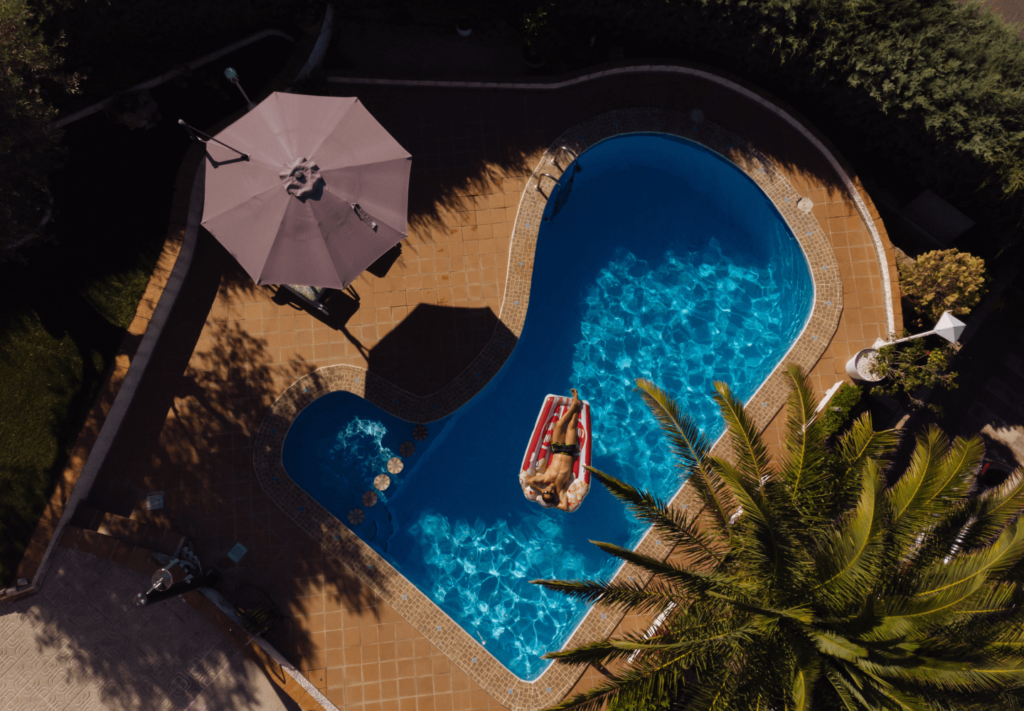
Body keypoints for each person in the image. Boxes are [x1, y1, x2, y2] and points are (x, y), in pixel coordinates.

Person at [523, 389, 582, 511]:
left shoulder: (545, 479)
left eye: (546, 492)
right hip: (569, 451)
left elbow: (530, 481)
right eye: (550, 493)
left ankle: (574, 405)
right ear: (554, 495)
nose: (549, 490)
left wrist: (540, 491)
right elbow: (564, 506)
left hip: (557, 449)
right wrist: (553, 503)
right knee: (572, 426)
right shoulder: (561, 489)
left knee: (559, 424)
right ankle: (576, 404)